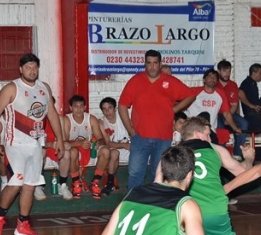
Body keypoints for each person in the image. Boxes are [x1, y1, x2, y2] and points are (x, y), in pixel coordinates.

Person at [0, 53, 64, 235]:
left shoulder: (44, 88)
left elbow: (52, 114)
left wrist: (60, 139)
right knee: (15, 184)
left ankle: (23, 224)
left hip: (36, 145)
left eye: (35, 67)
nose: (32, 70)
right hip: (15, 145)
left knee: (30, 185)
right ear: (21, 69)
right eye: (28, 67)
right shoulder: (11, 88)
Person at [118, 49, 195, 190]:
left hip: (163, 137)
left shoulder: (170, 81)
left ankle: (156, 204)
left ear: (160, 64)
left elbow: (191, 95)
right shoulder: (136, 80)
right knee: (135, 173)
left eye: (155, 63)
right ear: (145, 64)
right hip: (139, 137)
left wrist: (175, 110)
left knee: (159, 173)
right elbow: (122, 105)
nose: (152, 66)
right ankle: (134, 204)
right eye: (149, 63)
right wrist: (130, 129)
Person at [62, 94, 109, 199]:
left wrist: (98, 143)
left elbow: (100, 138)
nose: (78, 109)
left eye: (81, 106)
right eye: (75, 106)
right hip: (75, 149)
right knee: (72, 151)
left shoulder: (91, 118)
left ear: (85, 107)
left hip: (88, 149)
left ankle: (95, 182)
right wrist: (80, 143)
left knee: (106, 151)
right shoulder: (67, 119)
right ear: (71, 108)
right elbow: (64, 142)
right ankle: (76, 182)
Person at [185, 68, 241, 141]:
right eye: (210, 77)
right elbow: (180, 103)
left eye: (214, 77)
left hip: (210, 131)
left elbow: (227, 113)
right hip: (192, 130)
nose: (212, 79)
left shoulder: (220, 94)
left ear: (217, 81)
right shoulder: (194, 91)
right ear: (204, 80)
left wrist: (235, 128)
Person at [216, 59, 249, 160]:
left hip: (230, 112)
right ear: (219, 71)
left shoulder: (233, 85)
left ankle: (237, 154)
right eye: (224, 71)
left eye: (229, 71)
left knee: (244, 123)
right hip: (217, 114)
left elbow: (234, 105)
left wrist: (228, 118)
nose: (227, 74)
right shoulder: (214, 84)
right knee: (220, 128)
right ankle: (223, 157)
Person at [98, 96, 130, 195]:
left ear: (115, 108)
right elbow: (108, 143)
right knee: (114, 153)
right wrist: (123, 145)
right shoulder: (102, 123)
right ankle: (110, 183)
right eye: (104, 109)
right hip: (116, 148)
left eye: (110, 108)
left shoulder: (123, 117)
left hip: (129, 146)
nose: (108, 112)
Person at [239, 63, 261, 132]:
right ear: (254, 73)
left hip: (255, 117)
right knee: (254, 139)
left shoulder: (253, 84)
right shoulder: (247, 82)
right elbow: (239, 93)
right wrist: (251, 105)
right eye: (260, 73)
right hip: (251, 117)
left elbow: (254, 101)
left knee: (257, 139)